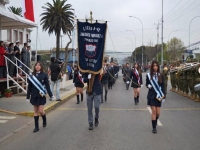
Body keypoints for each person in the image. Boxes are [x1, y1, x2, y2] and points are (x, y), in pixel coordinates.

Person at [26, 62, 54, 132]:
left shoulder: (44, 75)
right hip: (34, 95)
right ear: (34, 67)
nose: (37, 66)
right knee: (35, 111)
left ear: (41, 67)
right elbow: (29, 87)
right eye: (36, 65)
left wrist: (51, 95)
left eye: (39, 65)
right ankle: (36, 127)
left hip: (41, 95)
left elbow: (47, 86)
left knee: (41, 111)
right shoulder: (31, 75)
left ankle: (44, 118)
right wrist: (27, 96)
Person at [146, 60, 165, 133]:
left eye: (156, 66)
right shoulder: (149, 75)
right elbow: (147, 84)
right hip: (151, 95)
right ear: (152, 67)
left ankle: (155, 121)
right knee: (153, 111)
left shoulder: (161, 75)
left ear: (158, 66)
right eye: (153, 66)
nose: (155, 67)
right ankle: (154, 127)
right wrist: (149, 86)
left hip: (159, 95)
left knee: (158, 113)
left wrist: (163, 96)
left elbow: (163, 86)